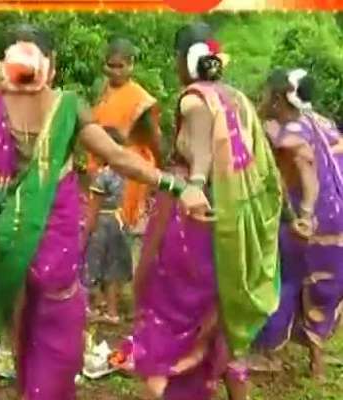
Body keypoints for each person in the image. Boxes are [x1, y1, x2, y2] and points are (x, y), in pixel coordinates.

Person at [0, 24, 210, 399]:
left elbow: (116, 155)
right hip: (9, 236)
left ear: (50, 63)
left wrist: (179, 186)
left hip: (55, 236)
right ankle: (28, 386)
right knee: (20, 321)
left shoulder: (68, 107)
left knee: (56, 323)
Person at [130, 23, 282, 400]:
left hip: (192, 222)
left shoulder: (194, 99)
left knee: (171, 313)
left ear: (182, 60)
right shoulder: (238, 100)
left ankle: (168, 382)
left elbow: (200, 148)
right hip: (232, 221)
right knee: (218, 312)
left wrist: (194, 182)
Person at [256, 68, 343, 378]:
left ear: (279, 97)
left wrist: (305, 212)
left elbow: (304, 162)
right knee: (317, 283)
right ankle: (316, 360)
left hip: (311, 218)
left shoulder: (289, 131)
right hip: (336, 216)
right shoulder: (323, 123)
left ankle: (272, 354)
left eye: (267, 93)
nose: (263, 99)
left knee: (288, 279)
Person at [89, 38, 162, 232]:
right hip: (100, 165)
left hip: (128, 168)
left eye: (120, 66)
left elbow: (153, 138)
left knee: (121, 229)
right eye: (110, 66)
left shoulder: (141, 99)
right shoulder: (100, 90)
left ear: (131, 65)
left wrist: (158, 175)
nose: (115, 71)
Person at [84, 128, 133, 324]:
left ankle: (91, 307)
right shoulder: (126, 174)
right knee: (114, 267)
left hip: (102, 223)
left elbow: (94, 208)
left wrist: (86, 232)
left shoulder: (102, 176)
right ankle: (112, 312)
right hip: (120, 222)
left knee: (93, 263)